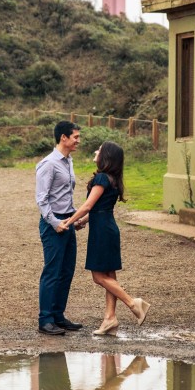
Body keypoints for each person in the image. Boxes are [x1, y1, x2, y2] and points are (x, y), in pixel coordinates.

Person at [58, 141, 151, 335]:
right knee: (109, 275)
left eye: (99, 150)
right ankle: (110, 319)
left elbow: (88, 206)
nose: (95, 151)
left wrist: (68, 222)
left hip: (102, 233)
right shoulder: (113, 179)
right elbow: (99, 209)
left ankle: (134, 303)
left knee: (98, 277)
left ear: (106, 156)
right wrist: (82, 222)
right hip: (107, 228)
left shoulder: (101, 178)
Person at [35, 120, 84, 336]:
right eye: (75, 137)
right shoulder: (48, 164)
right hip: (53, 224)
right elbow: (42, 199)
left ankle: (58, 316)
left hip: (68, 221)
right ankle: (45, 320)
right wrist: (55, 223)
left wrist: (75, 219)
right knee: (52, 272)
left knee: (66, 271)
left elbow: (65, 195)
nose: (78, 141)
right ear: (63, 138)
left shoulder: (68, 161)